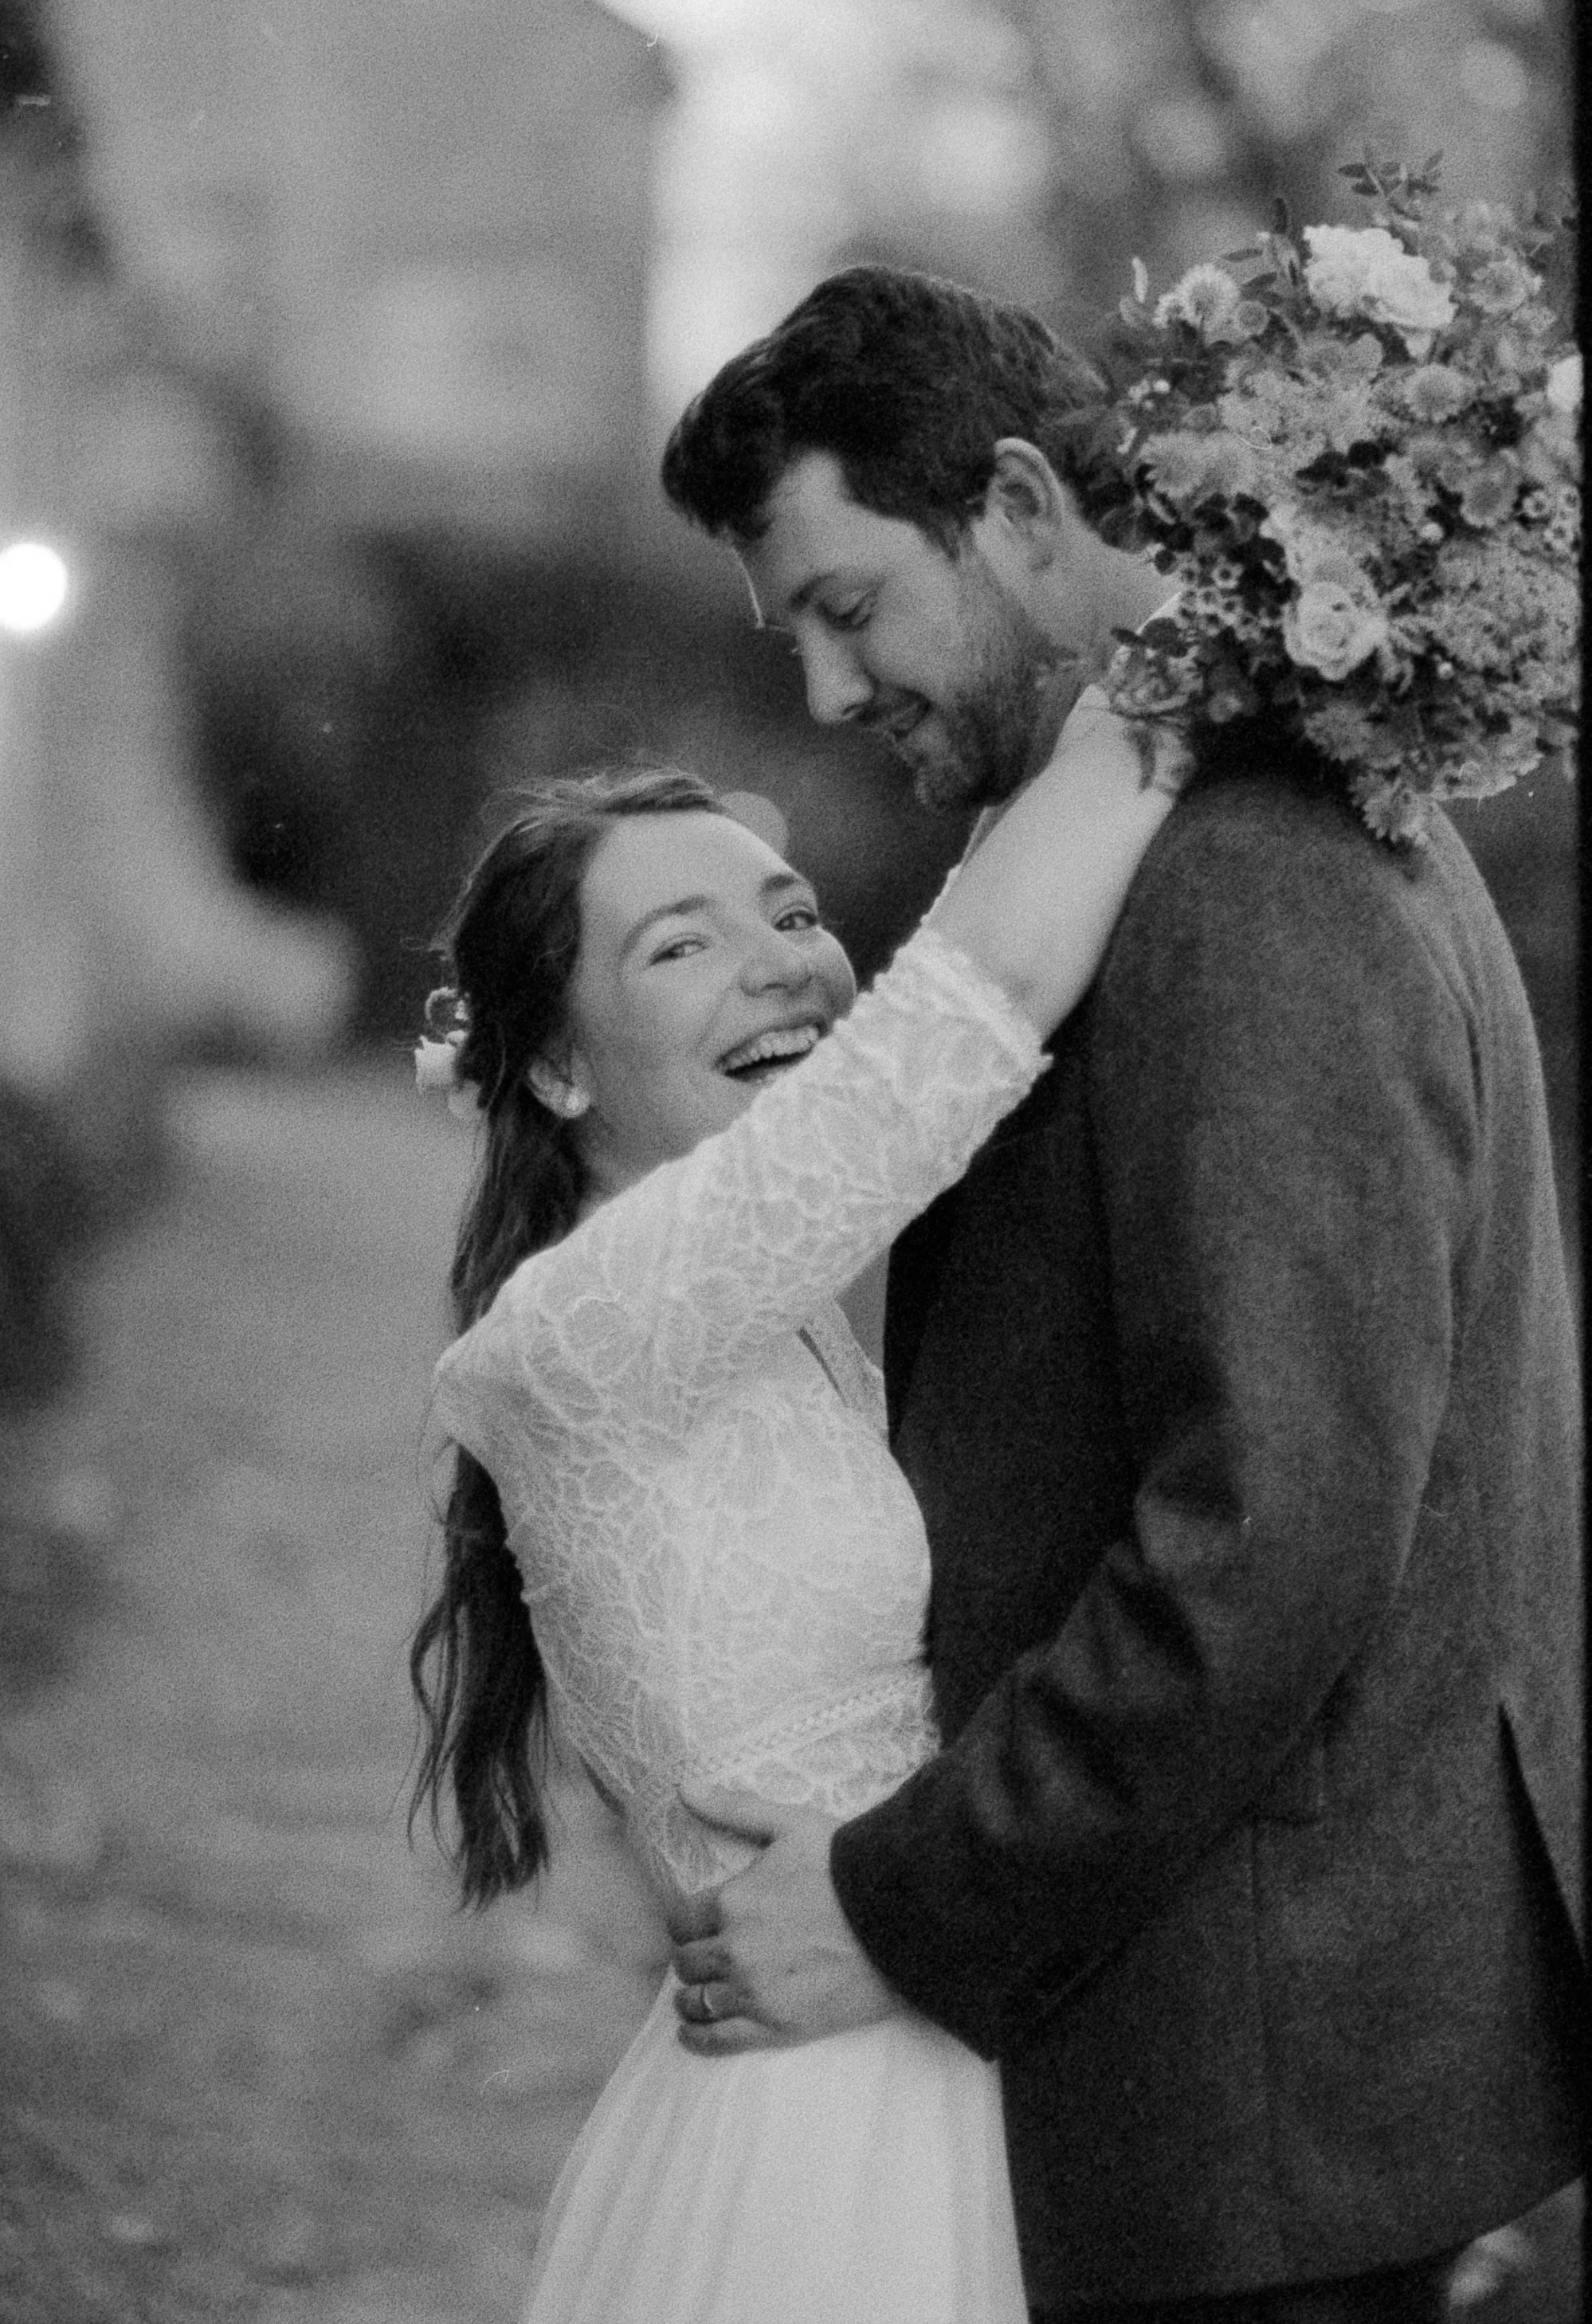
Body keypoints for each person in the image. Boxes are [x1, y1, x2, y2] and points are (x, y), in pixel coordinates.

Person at [655, 264, 1586, 2324]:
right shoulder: (1186, 828)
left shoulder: (1250, 879)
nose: (828, 690)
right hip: (1236, 2053)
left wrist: (899, 1903)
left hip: (1255, 2089)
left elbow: (1266, 1533)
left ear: (1012, 501)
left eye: (845, 605)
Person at [410, 701, 1186, 2324]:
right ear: (553, 1064)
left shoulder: (764, 1322)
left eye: (793, 912)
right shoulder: (578, 1331)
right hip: (832, 2122)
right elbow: (958, 1020)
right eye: (681, 945)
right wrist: (1173, 682)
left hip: (925, 2033)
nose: (781, 965)